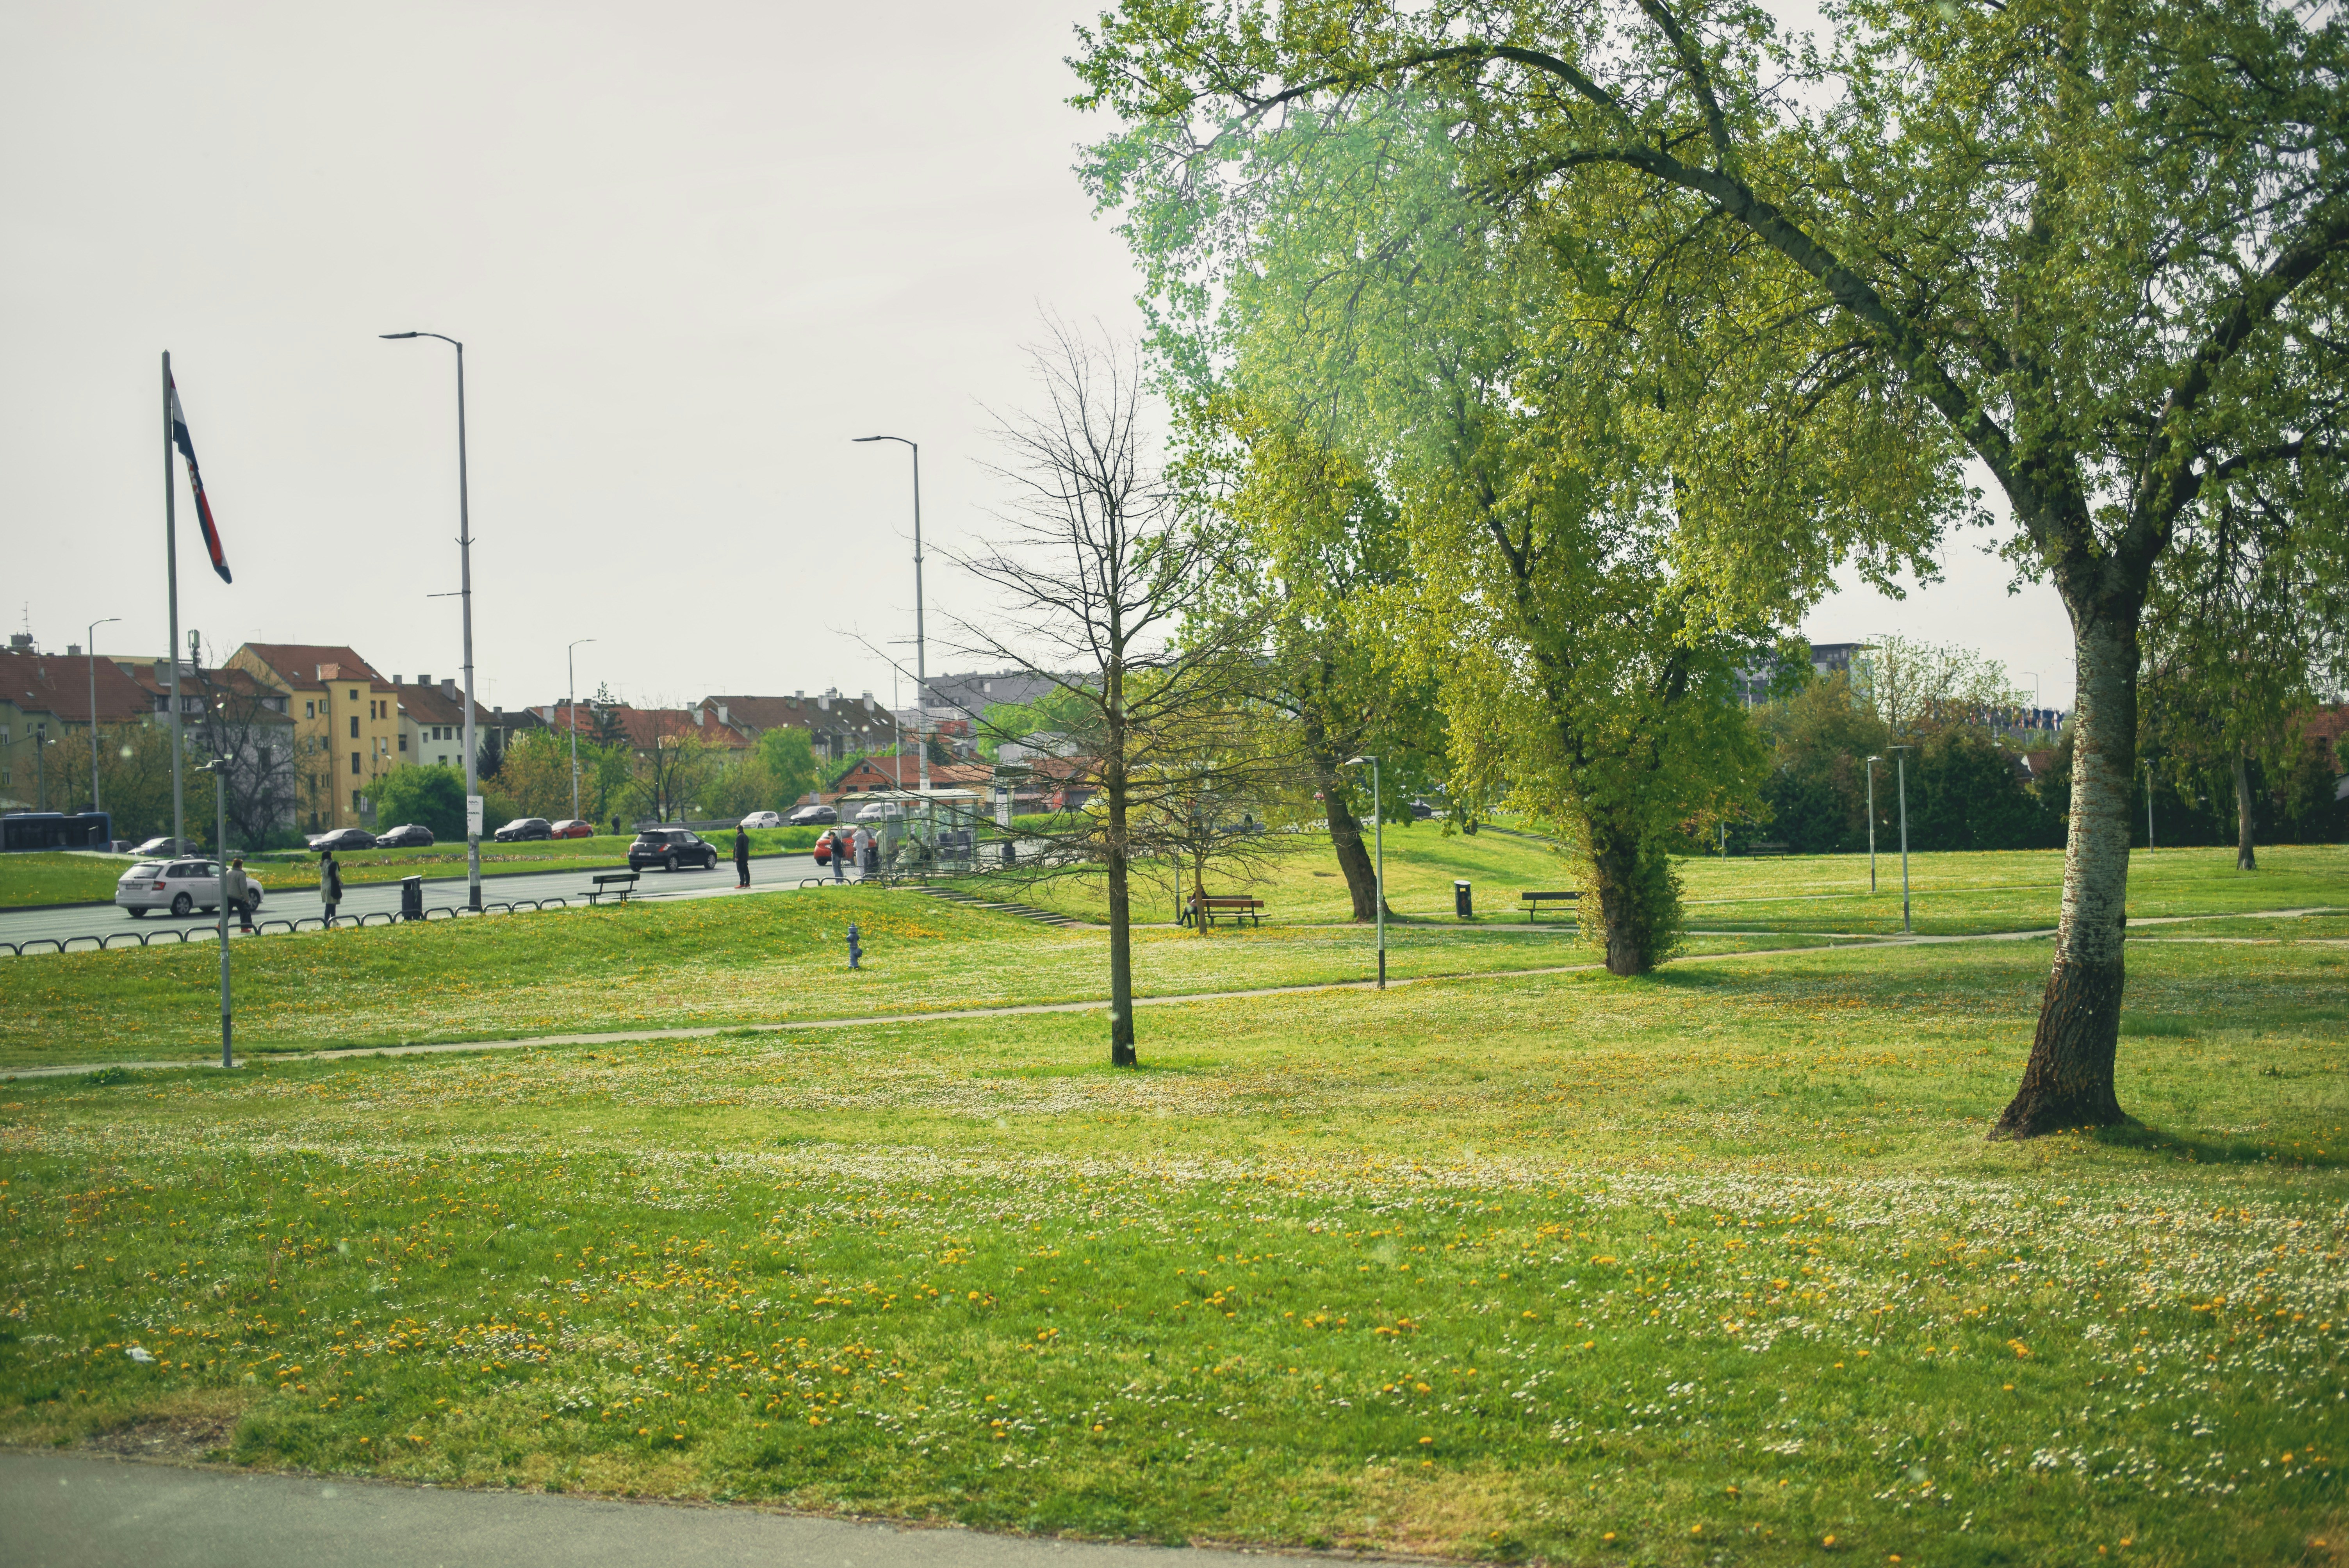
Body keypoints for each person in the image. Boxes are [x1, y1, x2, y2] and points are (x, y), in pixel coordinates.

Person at [224, 856, 256, 933]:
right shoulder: (241, 875)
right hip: (237, 897)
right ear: (240, 866)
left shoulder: (228, 872)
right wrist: (247, 899)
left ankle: (220, 925)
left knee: (227, 912)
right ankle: (244, 927)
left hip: (228, 896)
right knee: (244, 910)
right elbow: (244, 888)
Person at [319, 848, 344, 925]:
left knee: (329, 903)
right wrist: (340, 882)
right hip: (332, 885)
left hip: (323, 885)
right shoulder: (333, 864)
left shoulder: (321, 864)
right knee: (331, 905)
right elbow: (337, 875)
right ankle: (328, 922)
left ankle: (332, 921)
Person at [734, 823, 752, 889]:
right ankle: (747, 884)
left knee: (741, 870)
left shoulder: (739, 837)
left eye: (737, 830)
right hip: (745, 856)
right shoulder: (745, 836)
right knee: (746, 870)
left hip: (741, 857)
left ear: (738, 830)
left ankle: (742, 884)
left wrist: (737, 857)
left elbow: (739, 848)